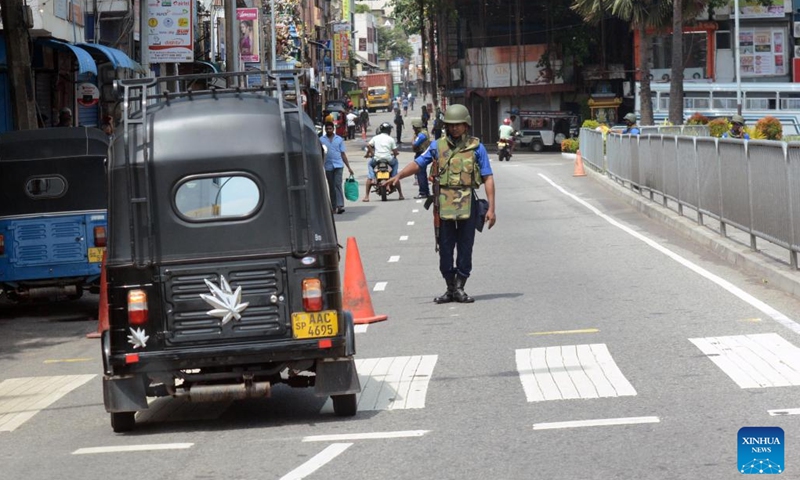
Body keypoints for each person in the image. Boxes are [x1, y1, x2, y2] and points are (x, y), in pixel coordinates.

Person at [385, 104, 496, 304]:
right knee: (444, 247)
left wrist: (492, 209)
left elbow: (488, 178)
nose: (454, 129)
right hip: (443, 204)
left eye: (458, 125)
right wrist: (398, 175)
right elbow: (419, 163)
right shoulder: (437, 146)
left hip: (468, 202)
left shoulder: (476, 147)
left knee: (465, 246)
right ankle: (450, 287)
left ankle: (461, 287)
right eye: (450, 125)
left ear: (466, 125)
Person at [319, 121, 354, 214]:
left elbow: (343, 154)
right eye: (327, 129)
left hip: (338, 165)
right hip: (328, 166)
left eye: (330, 128)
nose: (328, 130)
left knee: (337, 184)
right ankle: (333, 207)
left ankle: (340, 205)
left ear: (333, 129)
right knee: (331, 186)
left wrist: (349, 167)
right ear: (325, 129)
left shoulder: (339, 139)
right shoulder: (321, 140)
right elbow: (320, 154)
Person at [364, 122, 404, 202]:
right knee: (395, 163)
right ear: (389, 130)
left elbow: (368, 145)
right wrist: (395, 154)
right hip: (388, 159)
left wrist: (371, 153)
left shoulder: (375, 137)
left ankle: (367, 196)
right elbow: (395, 151)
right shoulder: (390, 139)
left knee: (370, 164)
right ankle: (396, 185)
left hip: (377, 159)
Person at [411, 118, 431, 199]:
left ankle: (423, 192)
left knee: (420, 174)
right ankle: (426, 191)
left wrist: (412, 140)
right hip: (422, 153)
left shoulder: (422, 135)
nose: (413, 129)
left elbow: (415, 144)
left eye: (414, 127)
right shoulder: (422, 133)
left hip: (421, 154)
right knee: (422, 173)